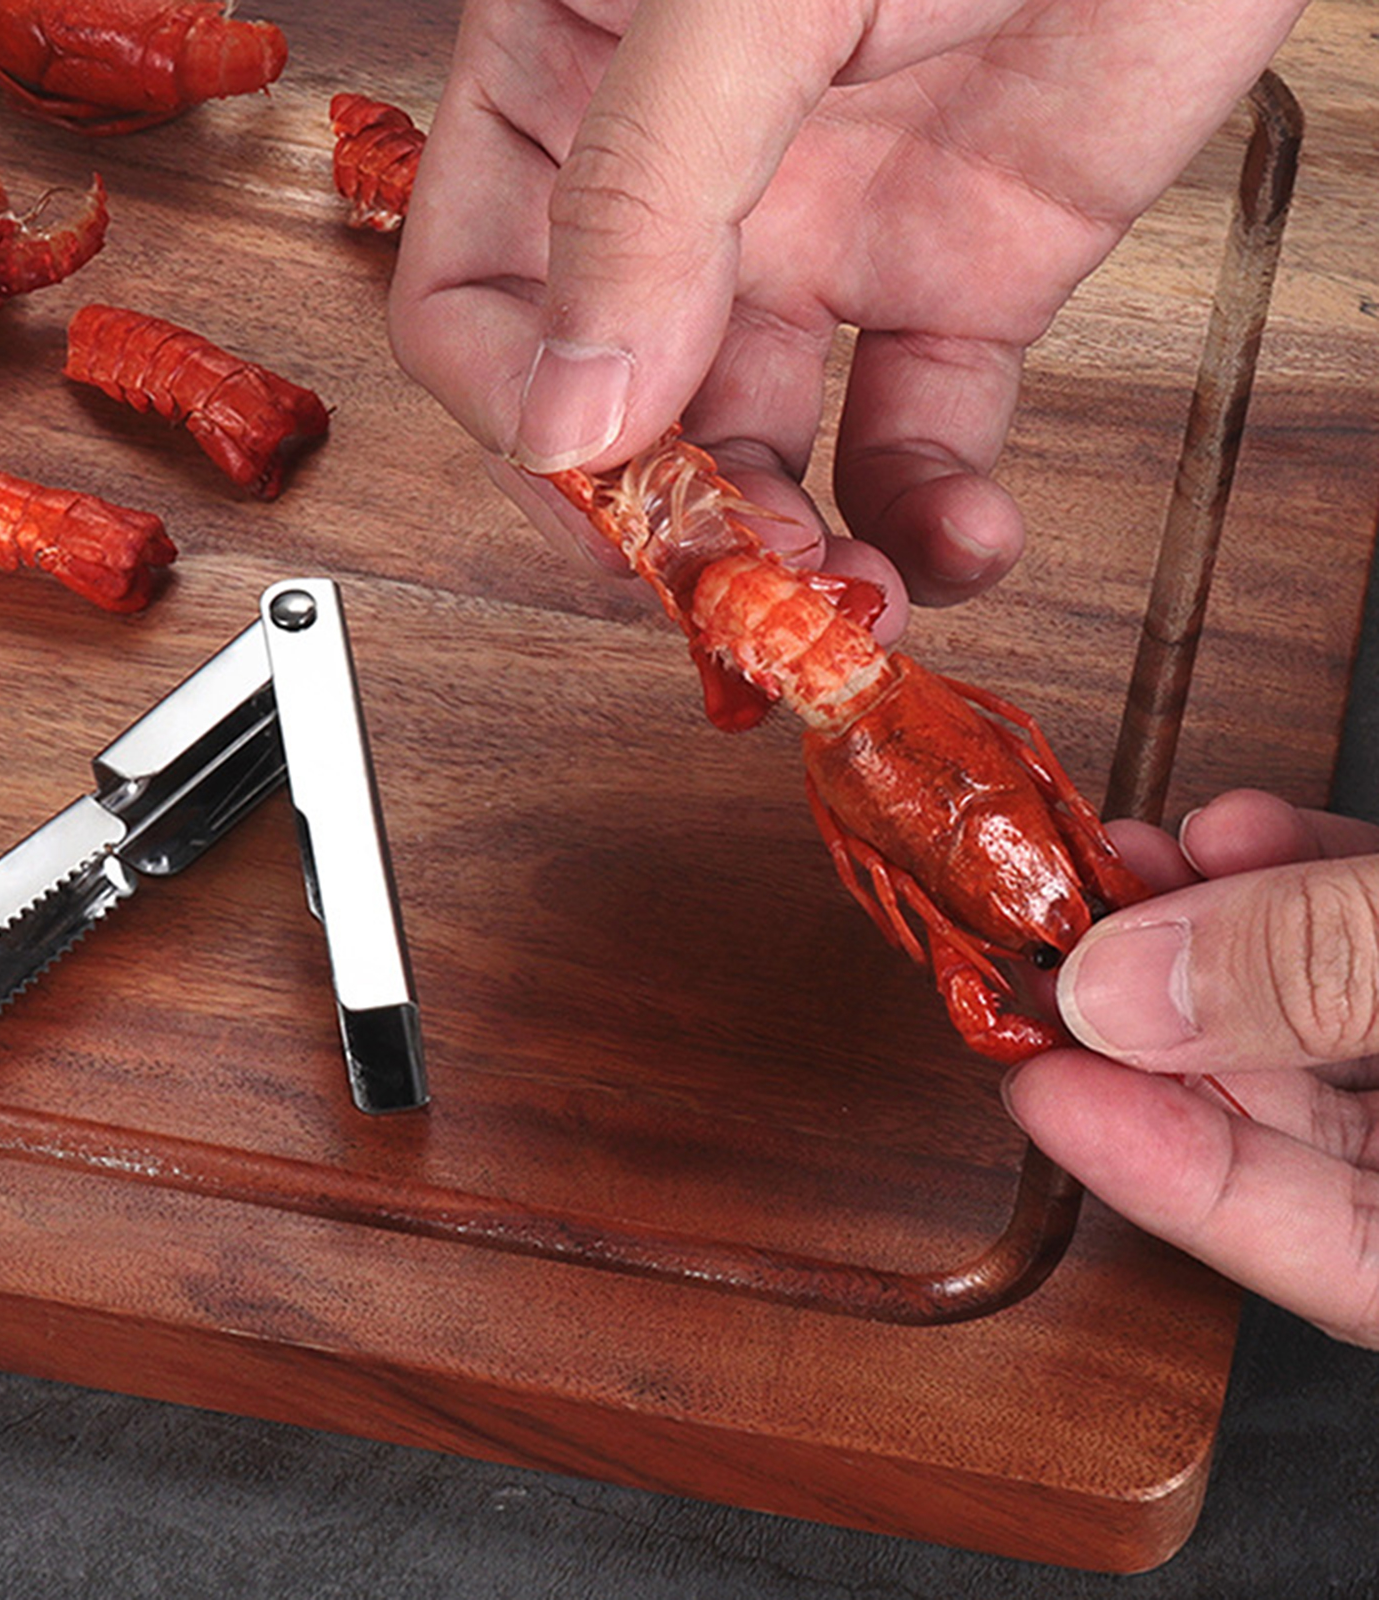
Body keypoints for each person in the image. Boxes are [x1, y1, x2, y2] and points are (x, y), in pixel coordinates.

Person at [388, 0, 1379, 1350]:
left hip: (835, 663)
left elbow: (921, 868)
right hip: (815, 654)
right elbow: (968, 825)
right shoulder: (1007, 783)